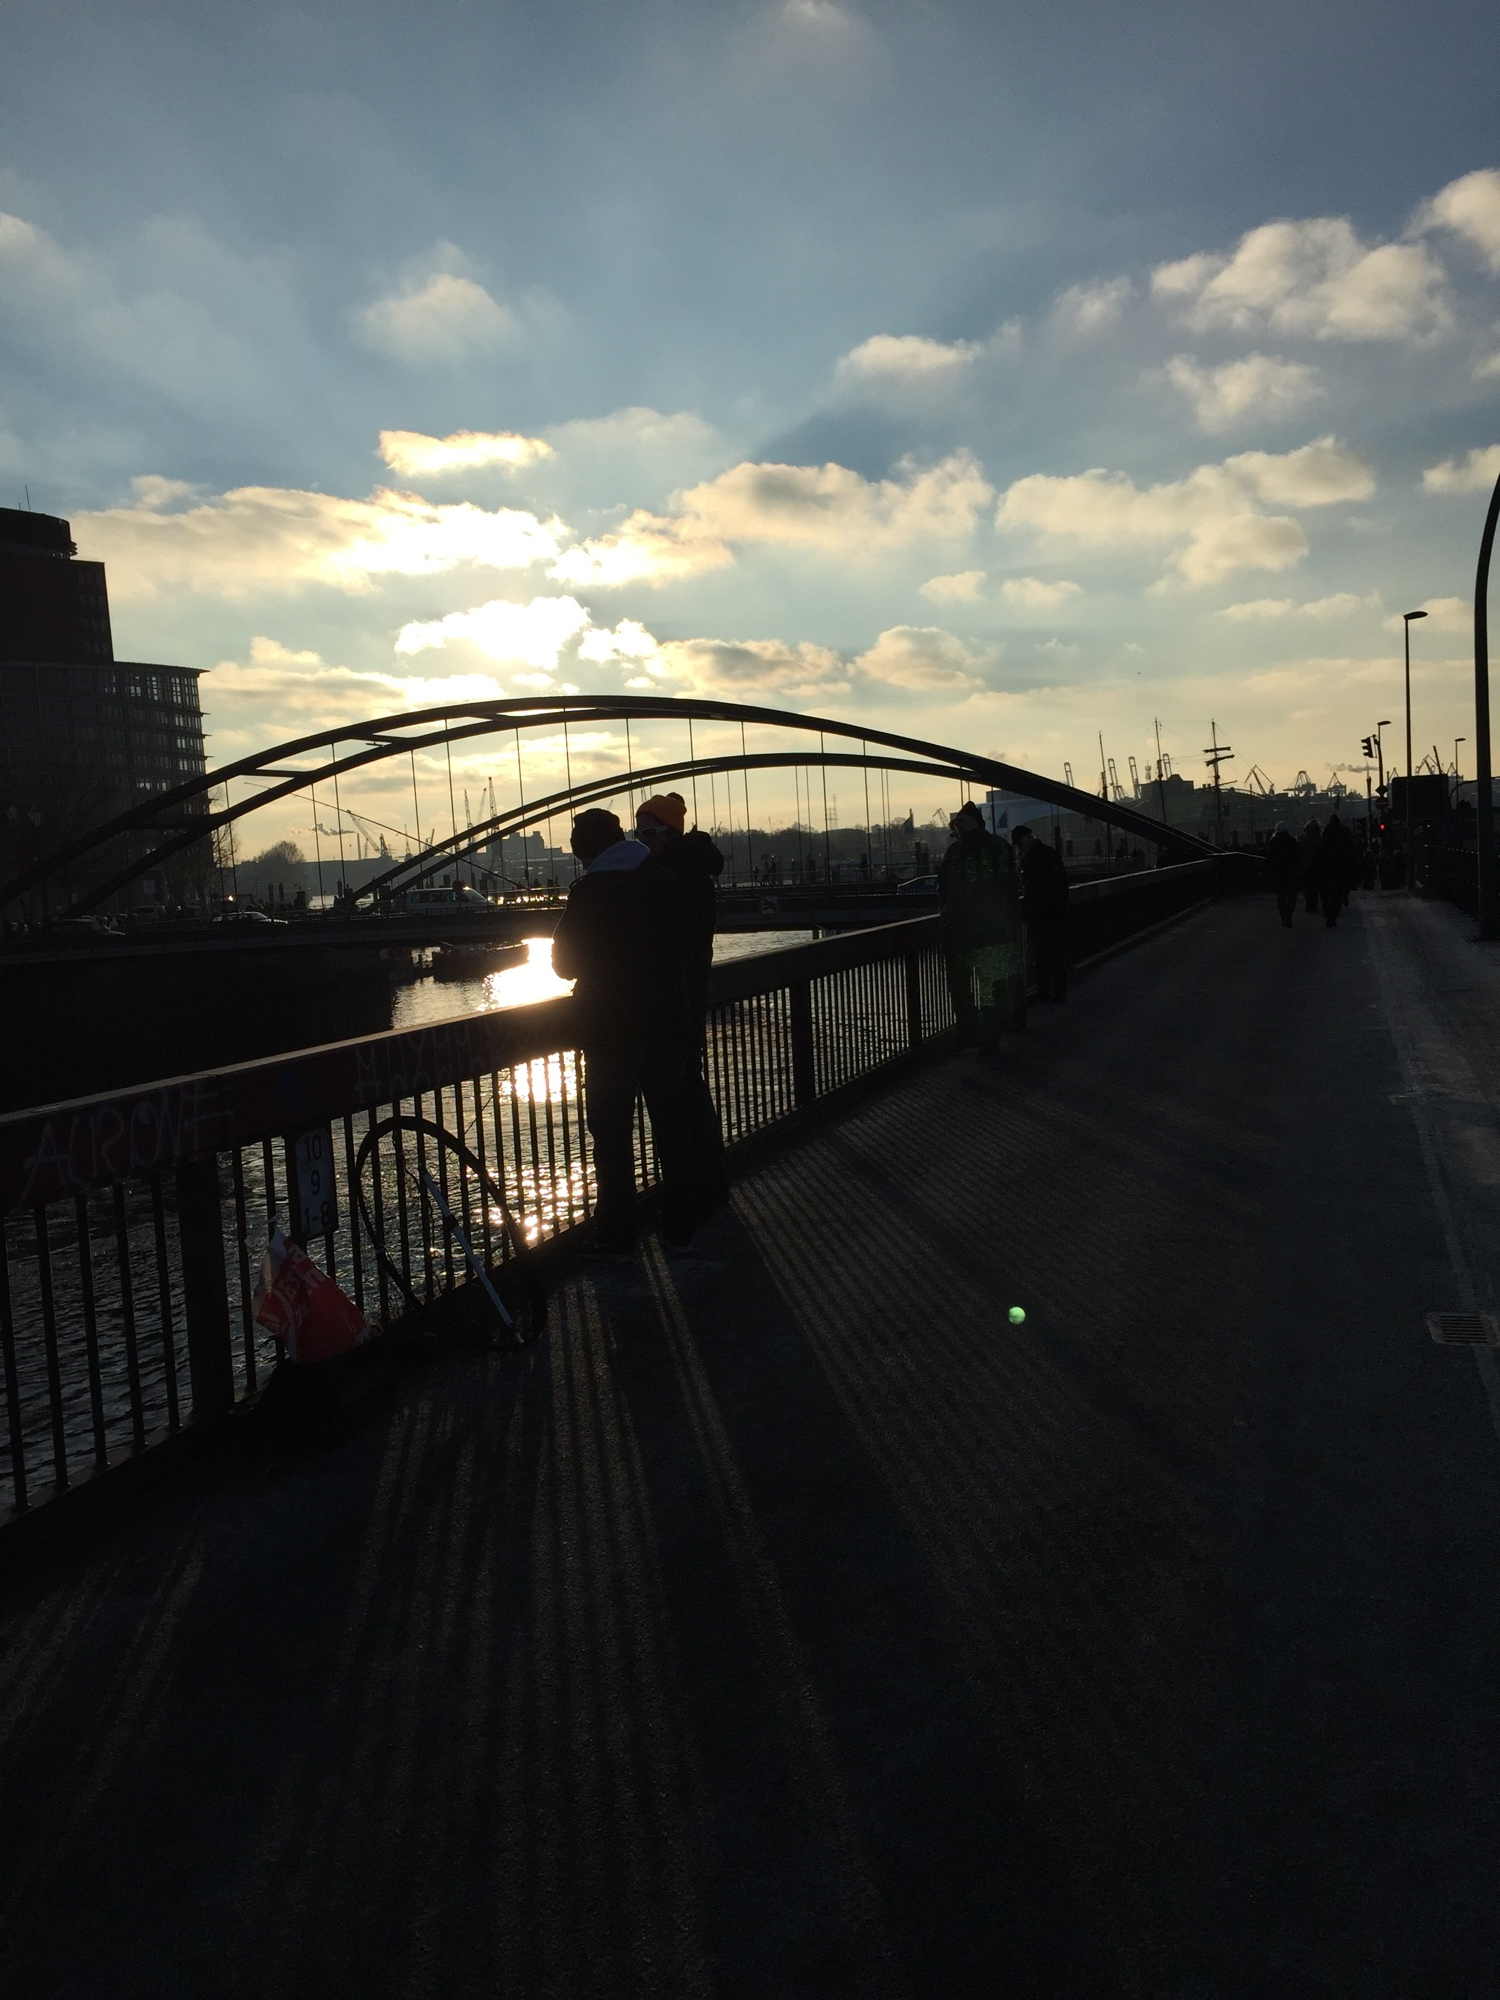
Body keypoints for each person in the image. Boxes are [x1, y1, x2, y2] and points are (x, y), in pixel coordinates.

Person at [550, 808, 660, 1252]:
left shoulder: (591, 892)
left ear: (585, 848)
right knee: (671, 1117)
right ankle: (686, 1211)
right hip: (665, 1018)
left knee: (612, 1130)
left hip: (608, 1024)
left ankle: (617, 1228)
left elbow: (563, 965)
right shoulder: (660, 878)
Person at [634, 792, 729, 1239]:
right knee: (690, 1095)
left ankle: (684, 1201)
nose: (644, 840)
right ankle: (709, 1189)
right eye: (640, 833)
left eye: (650, 832)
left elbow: (659, 938)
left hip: (668, 1000)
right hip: (686, 998)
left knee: (672, 1106)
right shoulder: (693, 868)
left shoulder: (670, 876)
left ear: (669, 832)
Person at [938, 802, 1025, 1054]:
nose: (958, 828)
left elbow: (945, 888)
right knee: (990, 985)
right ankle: (989, 1034)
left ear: (972, 822)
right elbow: (1010, 887)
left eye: (961, 823)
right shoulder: (999, 847)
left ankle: (972, 1033)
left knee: (964, 985)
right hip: (992, 929)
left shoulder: (955, 852)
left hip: (963, 930)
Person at [1011, 823, 1070, 1000]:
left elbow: (1030, 887)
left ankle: (1043, 990)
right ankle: (1059, 991)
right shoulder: (1050, 853)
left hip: (1039, 913)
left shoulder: (1030, 858)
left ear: (1024, 839)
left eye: (1019, 844)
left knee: (1041, 954)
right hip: (1056, 911)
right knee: (1056, 953)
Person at [1318, 814, 1358, 928]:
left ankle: (1329, 914)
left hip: (1328, 866)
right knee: (1338, 893)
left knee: (1327, 893)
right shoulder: (1344, 831)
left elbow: (1322, 847)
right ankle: (1333, 914)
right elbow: (1351, 848)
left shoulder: (1327, 831)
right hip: (1341, 866)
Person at [1265, 821, 1302, 928]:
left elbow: (1269, 858)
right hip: (1291, 873)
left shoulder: (1273, 842)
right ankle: (1289, 916)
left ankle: (1283, 917)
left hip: (1278, 873)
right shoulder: (1292, 841)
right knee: (1291, 896)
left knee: (1281, 897)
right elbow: (1297, 857)